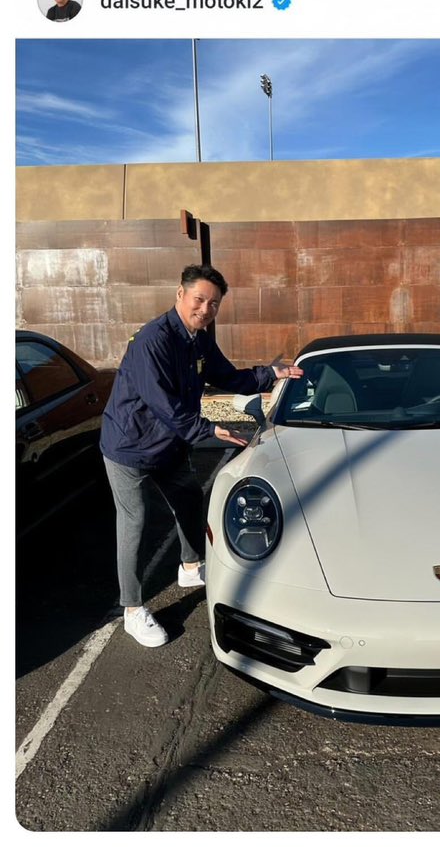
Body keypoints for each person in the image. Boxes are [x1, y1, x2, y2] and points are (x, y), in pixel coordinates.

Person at [100, 263, 303, 647]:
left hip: (169, 444)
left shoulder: (199, 340)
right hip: (129, 446)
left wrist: (271, 373)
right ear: (180, 294)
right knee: (134, 522)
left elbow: (228, 377)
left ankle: (191, 566)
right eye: (199, 299)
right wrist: (206, 430)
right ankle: (132, 609)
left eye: (214, 304)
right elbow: (163, 405)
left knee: (190, 498)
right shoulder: (152, 341)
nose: (205, 309)